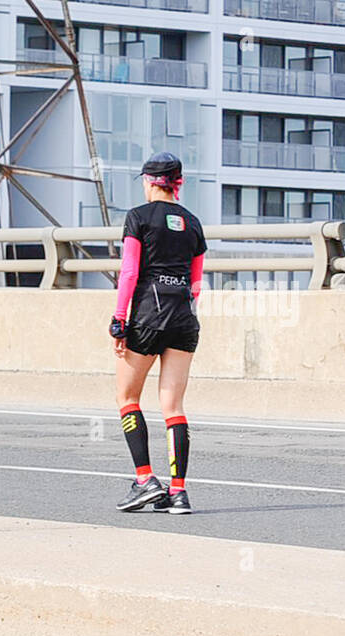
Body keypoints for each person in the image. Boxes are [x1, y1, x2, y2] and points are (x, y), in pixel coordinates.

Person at [110, 151, 205, 516]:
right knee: (173, 407)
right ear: (177, 183)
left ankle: (146, 479)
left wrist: (120, 320)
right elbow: (196, 284)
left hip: (148, 315)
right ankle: (178, 493)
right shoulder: (193, 222)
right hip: (183, 317)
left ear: (149, 182)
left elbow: (130, 273)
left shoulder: (138, 217)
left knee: (127, 397)